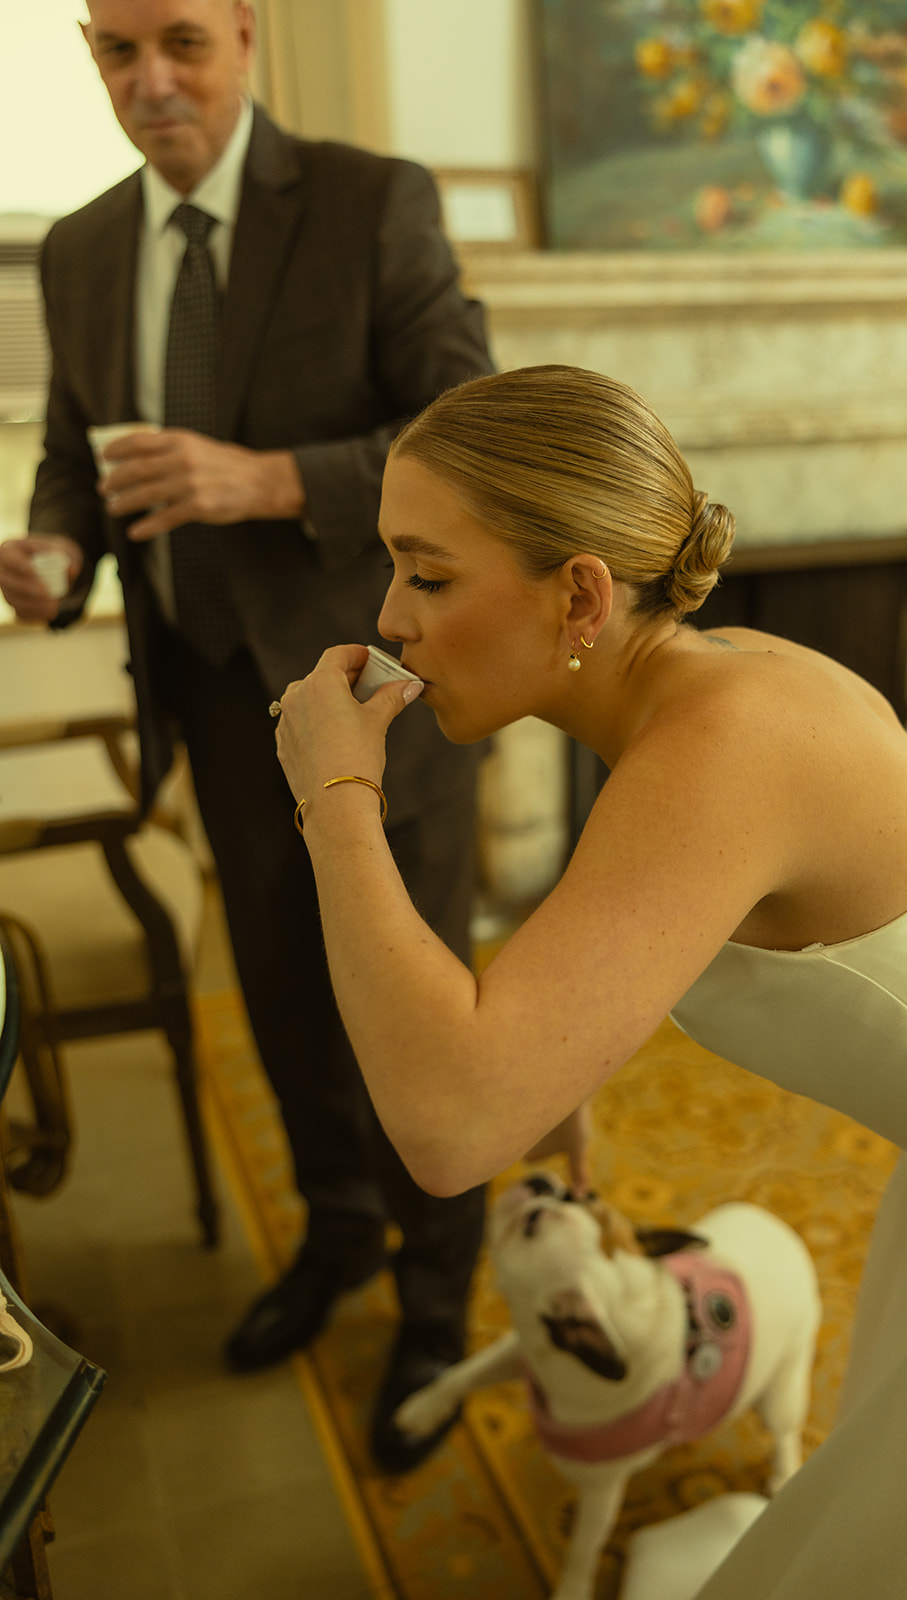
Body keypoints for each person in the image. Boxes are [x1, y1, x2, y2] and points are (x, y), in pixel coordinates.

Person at [273, 363, 907, 1596]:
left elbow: (446, 1128)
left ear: (579, 593)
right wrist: (563, 1044)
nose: (390, 617)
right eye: (393, 569)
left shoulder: (721, 741)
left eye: (429, 575)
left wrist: (336, 798)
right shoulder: (710, 675)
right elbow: (626, 947)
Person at [0, 0, 492, 1472]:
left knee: (421, 1014)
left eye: (178, 44)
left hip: (380, 687)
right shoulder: (77, 246)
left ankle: (434, 1293)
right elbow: (73, 453)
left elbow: (468, 421)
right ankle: (340, 1232)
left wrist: (268, 477)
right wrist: (54, 551)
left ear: (246, 33)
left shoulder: (370, 201)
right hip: (212, 693)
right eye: (112, 51)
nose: (146, 82)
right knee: (278, 984)